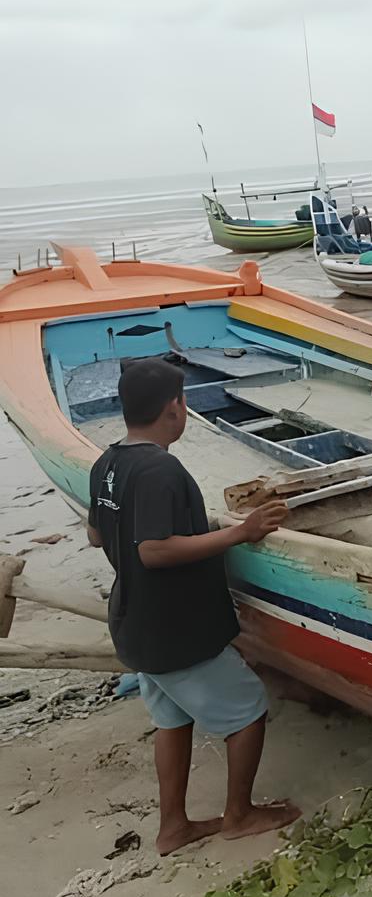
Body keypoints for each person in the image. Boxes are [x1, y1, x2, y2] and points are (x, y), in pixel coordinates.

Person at [87, 358, 300, 855]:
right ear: (174, 408)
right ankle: (239, 815)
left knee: (172, 718)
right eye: (182, 401)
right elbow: (154, 550)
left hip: (133, 622)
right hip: (174, 627)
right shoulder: (161, 467)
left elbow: (97, 534)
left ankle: (174, 827)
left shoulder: (108, 462)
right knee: (247, 708)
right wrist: (240, 532)